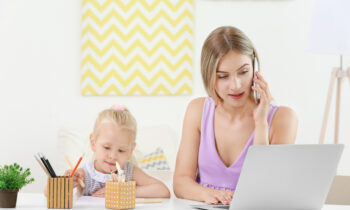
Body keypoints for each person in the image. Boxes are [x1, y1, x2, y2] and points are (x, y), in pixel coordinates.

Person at [173, 26, 298, 205]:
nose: (236, 85)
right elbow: (181, 182)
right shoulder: (197, 110)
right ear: (208, 75)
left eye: (244, 72)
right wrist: (208, 194)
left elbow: (268, 189)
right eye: (223, 76)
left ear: (254, 67)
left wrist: (261, 123)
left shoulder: (283, 118)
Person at [45, 105, 170, 198]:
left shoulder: (130, 172)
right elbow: (48, 194)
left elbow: (163, 191)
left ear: (131, 150)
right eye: (106, 147)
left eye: (121, 150)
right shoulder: (85, 174)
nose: (113, 156)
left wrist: (124, 192)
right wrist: (66, 182)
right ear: (93, 143)